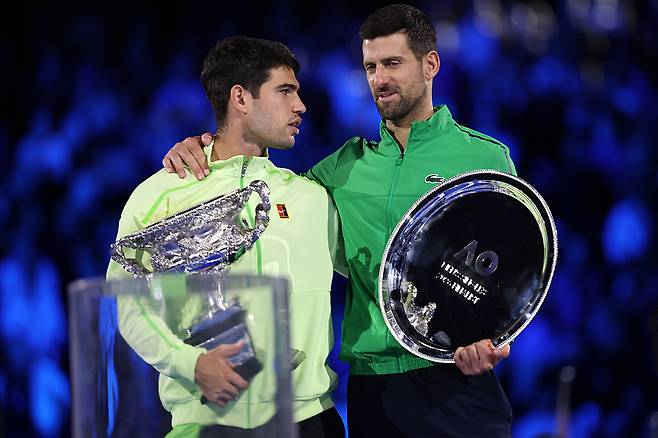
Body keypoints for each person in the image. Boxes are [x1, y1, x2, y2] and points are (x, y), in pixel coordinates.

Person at [163, 5, 515, 437]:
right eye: (370, 66)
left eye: (392, 63)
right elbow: (263, 190)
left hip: (458, 382)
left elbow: (511, 271)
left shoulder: (485, 159)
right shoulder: (339, 171)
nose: (379, 79)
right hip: (374, 389)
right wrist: (205, 148)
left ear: (430, 65)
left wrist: (495, 337)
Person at [107, 36, 346, 437]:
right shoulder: (161, 193)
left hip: (308, 422)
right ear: (240, 97)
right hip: (204, 422)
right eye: (285, 91)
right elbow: (127, 303)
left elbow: (371, 273)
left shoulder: (313, 198)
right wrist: (191, 365)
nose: (300, 106)